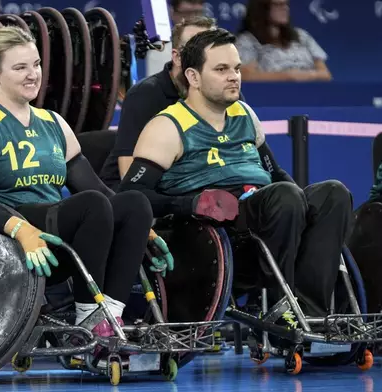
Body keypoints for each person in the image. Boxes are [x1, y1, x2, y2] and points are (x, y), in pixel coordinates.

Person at [0, 26, 173, 337]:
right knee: (92, 206)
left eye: (36, 64)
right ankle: (87, 318)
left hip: (58, 235)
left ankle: (109, 315)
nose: (33, 74)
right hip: (10, 239)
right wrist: (21, 229)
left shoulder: (53, 123)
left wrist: (142, 227)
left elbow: (95, 187)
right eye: (20, 67)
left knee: (135, 202)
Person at [118, 28, 352, 323]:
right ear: (193, 77)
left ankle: (310, 313)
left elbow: (274, 173)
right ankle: (279, 308)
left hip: (271, 213)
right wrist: (191, 203)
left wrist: (307, 208)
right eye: (221, 69)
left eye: (237, 68)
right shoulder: (167, 127)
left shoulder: (244, 114)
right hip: (220, 232)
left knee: (333, 193)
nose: (234, 76)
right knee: (284, 196)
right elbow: (131, 196)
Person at [100, 16, 218, 189]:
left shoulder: (222, 93)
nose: (206, 60)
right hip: (136, 197)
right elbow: (129, 175)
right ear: (177, 57)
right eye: (198, 52)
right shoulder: (144, 95)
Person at [235, 0, 332, 82]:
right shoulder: (247, 41)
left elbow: (325, 74)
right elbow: (247, 77)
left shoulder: (301, 36)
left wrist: (305, 75)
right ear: (262, 9)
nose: (285, 8)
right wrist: (288, 76)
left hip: (311, 94)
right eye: (278, 4)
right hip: (274, 97)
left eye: (286, 4)